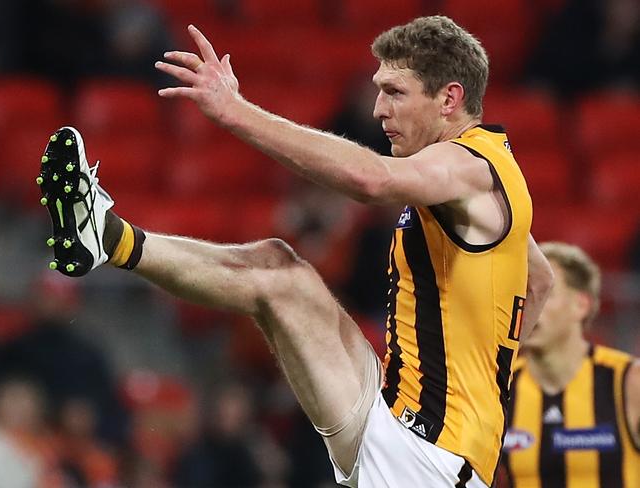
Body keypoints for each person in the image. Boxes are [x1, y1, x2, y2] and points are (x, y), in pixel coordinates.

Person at [37, 16, 554, 487]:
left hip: (429, 456)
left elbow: (369, 179)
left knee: (280, 279)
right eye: (379, 91)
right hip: (404, 421)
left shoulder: (466, 167)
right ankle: (104, 235)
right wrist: (491, 387)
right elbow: (540, 280)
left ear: (449, 99)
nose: (378, 109)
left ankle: (104, 237)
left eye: (395, 92)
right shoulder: (495, 177)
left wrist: (235, 113)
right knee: (277, 266)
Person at [498, 242, 640, 487]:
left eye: (545, 293)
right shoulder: (502, 387)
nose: (528, 304)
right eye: (523, 291)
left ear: (581, 305)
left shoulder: (628, 380)